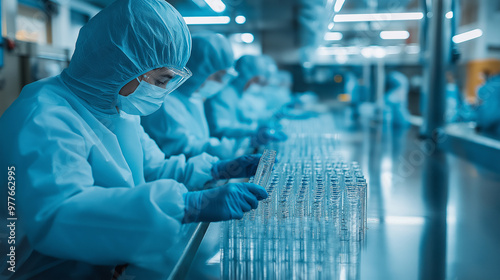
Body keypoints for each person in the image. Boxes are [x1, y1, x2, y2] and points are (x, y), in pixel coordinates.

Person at [0, 1, 267, 279]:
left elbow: (154, 168)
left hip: (95, 266)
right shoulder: (44, 118)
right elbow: (62, 215)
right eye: (162, 80)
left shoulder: (117, 109)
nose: (163, 92)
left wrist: (218, 169)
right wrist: (187, 205)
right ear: (123, 65)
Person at [142, 32, 246, 159]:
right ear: (198, 70)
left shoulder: (194, 98)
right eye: (218, 76)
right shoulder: (165, 102)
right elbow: (180, 148)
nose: (220, 83)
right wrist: (220, 149)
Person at [205, 54, 287, 144]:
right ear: (246, 77)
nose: (257, 85)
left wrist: (264, 123)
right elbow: (219, 129)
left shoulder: (238, 94)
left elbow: (246, 117)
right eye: (256, 80)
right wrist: (254, 131)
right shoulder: (223, 95)